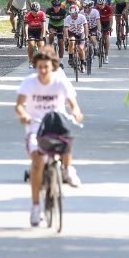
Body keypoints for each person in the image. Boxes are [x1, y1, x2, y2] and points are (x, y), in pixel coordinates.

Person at [15, 48, 84, 226]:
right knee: (37, 162)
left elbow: (73, 104)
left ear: (52, 66)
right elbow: (19, 105)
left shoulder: (60, 82)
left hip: (56, 123)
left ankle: (68, 170)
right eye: (39, 67)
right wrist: (23, 115)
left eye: (46, 67)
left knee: (67, 137)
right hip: (36, 126)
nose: (43, 71)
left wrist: (76, 113)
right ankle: (36, 207)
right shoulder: (29, 82)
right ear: (35, 67)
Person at [24, 2, 47, 67]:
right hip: (31, 30)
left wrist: (43, 36)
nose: (35, 13)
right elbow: (26, 27)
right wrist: (26, 36)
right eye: (34, 12)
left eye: (37, 12)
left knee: (41, 45)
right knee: (30, 44)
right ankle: (31, 61)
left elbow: (43, 26)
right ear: (31, 11)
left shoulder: (42, 14)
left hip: (39, 30)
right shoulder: (27, 15)